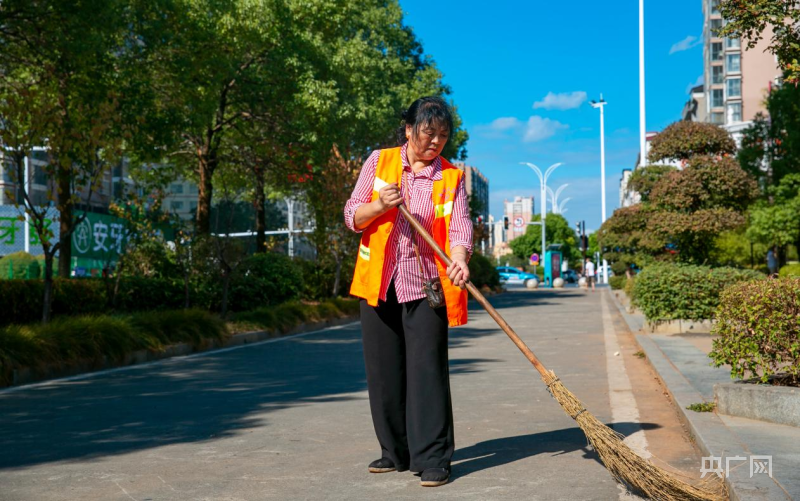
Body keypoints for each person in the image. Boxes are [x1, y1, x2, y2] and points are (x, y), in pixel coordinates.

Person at [343, 96, 472, 488]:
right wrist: (379, 205)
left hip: (426, 286)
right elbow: (352, 216)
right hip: (379, 284)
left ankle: (433, 457)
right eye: (428, 133)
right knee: (384, 373)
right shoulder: (379, 163)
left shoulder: (450, 176)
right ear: (409, 129)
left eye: (443, 136)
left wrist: (460, 258)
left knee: (427, 373)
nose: (435, 142)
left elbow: (459, 228)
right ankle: (394, 451)